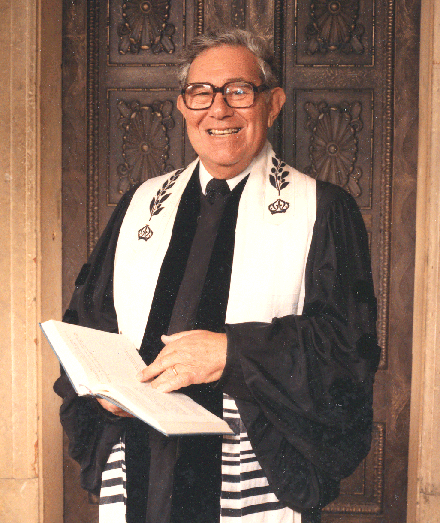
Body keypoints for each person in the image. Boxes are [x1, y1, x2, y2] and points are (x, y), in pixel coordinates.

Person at [54, 29, 380, 523]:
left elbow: (349, 350)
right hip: (142, 459)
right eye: (201, 93)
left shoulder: (323, 210)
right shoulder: (141, 205)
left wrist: (233, 353)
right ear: (183, 107)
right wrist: (105, 390)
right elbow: (89, 323)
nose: (219, 110)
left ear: (273, 104)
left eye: (239, 92)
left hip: (248, 473)